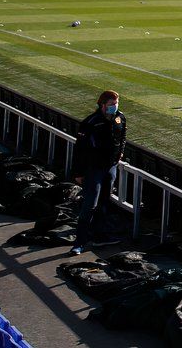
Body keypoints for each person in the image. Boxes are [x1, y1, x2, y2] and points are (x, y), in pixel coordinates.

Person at [70, 89, 127, 255]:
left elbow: (122, 137)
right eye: (111, 104)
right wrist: (78, 173)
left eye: (116, 103)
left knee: (104, 202)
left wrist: (119, 154)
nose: (114, 107)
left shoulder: (120, 118)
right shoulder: (91, 122)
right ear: (102, 105)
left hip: (110, 167)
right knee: (90, 204)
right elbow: (79, 149)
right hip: (93, 169)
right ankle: (79, 242)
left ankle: (99, 236)